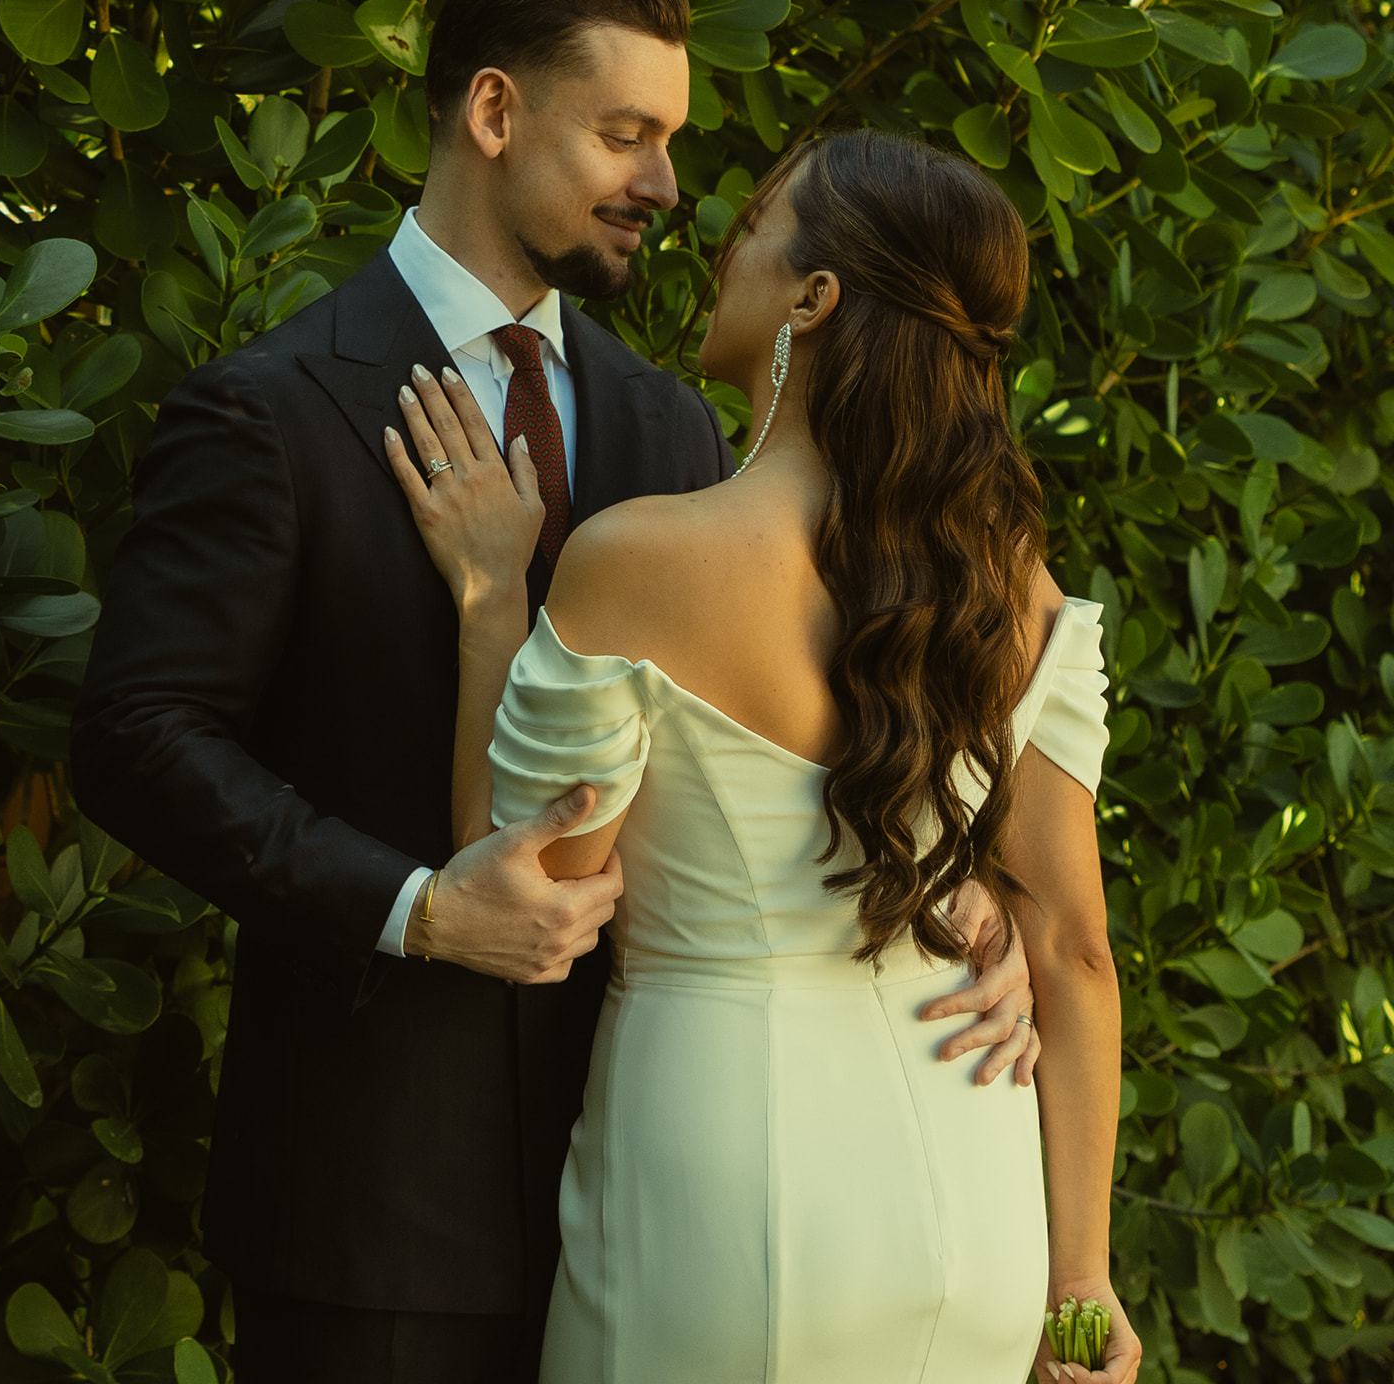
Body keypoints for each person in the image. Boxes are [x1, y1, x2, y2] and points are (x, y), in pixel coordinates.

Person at [71, 0, 1038, 1384]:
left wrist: (960, 901)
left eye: (675, 144)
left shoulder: (676, 430)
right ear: (493, 112)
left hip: (663, 1181)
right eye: (625, 134)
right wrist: (415, 909)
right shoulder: (269, 410)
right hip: (383, 1204)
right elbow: (139, 738)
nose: (663, 184)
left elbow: (772, 763)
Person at [384, 126, 1142, 1382]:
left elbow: (528, 880)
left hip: (722, 1184)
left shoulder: (639, 559)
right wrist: (1078, 1287)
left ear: (815, 296)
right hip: (977, 1198)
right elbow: (1073, 948)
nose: (721, 246)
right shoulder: (1014, 592)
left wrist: (488, 604)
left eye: (754, 230)